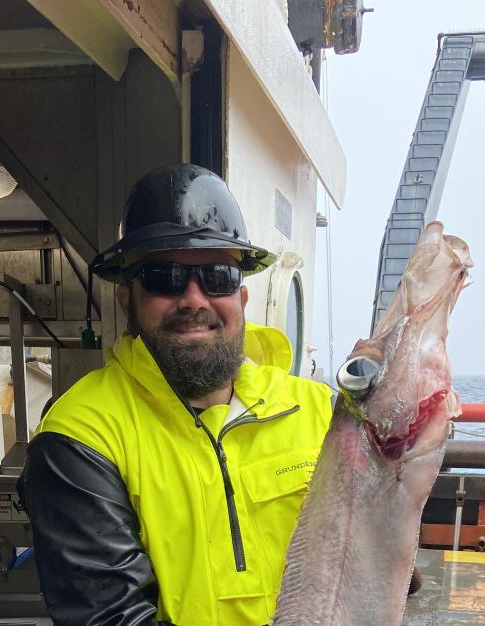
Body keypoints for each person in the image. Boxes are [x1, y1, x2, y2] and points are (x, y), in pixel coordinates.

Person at [17, 164, 334, 626]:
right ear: (128, 300)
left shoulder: (318, 410)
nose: (193, 299)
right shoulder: (80, 435)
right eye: (164, 277)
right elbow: (111, 617)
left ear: (241, 298)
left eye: (218, 277)